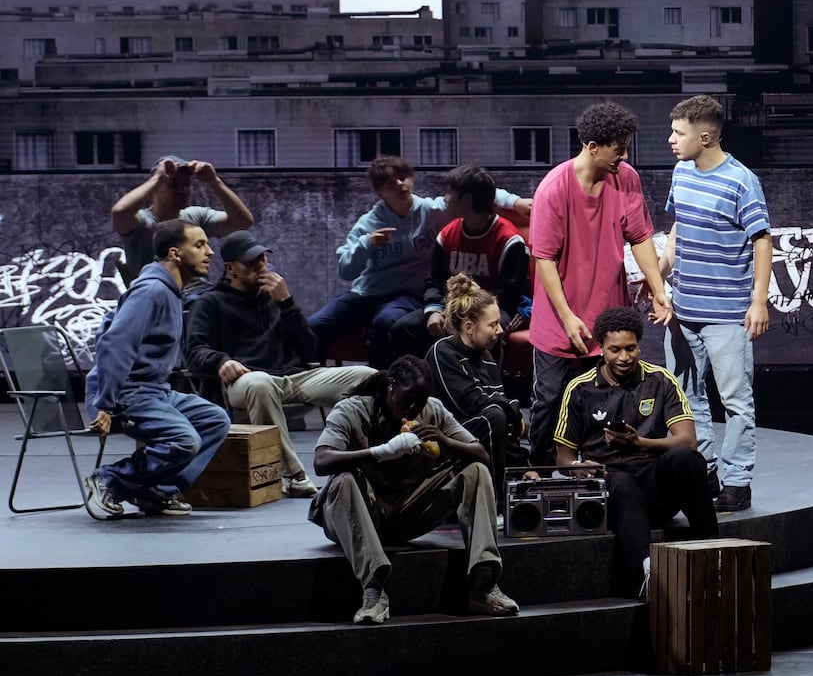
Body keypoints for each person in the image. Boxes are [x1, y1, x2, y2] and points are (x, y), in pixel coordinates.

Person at [309, 356, 518, 624]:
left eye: (419, 402)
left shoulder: (432, 410)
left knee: (476, 471)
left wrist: (445, 441)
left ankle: (483, 586)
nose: (413, 409)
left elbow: (480, 453)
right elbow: (322, 461)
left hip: (405, 512)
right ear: (391, 386)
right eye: (408, 400)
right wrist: (380, 452)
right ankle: (373, 590)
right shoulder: (352, 409)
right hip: (358, 515)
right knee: (343, 480)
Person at [525, 102, 671, 465]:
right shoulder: (553, 190)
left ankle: (604, 475)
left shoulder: (626, 179)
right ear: (593, 147)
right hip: (561, 321)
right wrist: (568, 316)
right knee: (550, 401)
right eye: (617, 148)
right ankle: (539, 474)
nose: (623, 156)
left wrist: (658, 289)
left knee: (605, 403)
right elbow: (544, 259)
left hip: (608, 318)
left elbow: (639, 237)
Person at [183, 231, 377, 499]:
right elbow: (193, 351)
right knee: (260, 382)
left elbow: (310, 349)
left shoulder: (275, 298)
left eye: (262, 259)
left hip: (293, 377)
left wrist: (287, 304)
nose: (260, 266)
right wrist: (220, 361)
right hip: (244, 381)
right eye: (251, 262)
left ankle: (371, 460)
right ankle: (291, 474)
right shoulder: (211, 302)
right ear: (231, 269)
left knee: (368, 377)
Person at [553, 306, 718, 596]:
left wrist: (639, 444)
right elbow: (563, 457)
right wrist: (581, 467)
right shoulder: (579, 389)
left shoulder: (660, 379)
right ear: (601, 348)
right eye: (615, 350)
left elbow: (688, 440)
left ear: (640, 345)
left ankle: (712, 553)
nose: (624, 357)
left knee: (688, 459)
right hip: (611, 487)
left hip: (655, 485)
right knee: (619, 481)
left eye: (631, 348)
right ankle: (648, 572)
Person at [660, 94, 772, 513]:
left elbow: (762, 240)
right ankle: (702, 469)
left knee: (735, 400)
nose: (671, 140)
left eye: (678, 132)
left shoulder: (741, 181)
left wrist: (758, 301)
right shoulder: (681, 172)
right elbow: (678, 225)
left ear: (705, 135)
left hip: (726, 314)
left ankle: (737, 482)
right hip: (683, 312)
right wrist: (662, 269)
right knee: (687, 398)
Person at [309, 157, 530, 369]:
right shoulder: (370, 223)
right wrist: (367, 244)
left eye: (403, 176)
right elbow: (346, 270)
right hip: (365, 293)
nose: (399, 183)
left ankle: (385, 388)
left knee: (387, 323)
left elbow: (478, 190)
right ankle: (304, 382)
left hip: (407, 296)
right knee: (315, 325)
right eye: (389, 181)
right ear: (378, 191)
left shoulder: (431, 211)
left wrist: (516, 202)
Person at [82, 219, 231, 520]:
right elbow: (115, 343)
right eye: (199, 245)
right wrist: (106, 404)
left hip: (154, 391)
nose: (210, 252)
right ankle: (111, 478)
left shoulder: (171, 291)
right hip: (126, 393)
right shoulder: (151, 291)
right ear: (175, 253)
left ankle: (156, 489)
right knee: (184, 439)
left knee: (215, 419)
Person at [391, 165, 530, 360]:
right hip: (454, 307)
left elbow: (509, 295)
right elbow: (434, 280)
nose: (445, 198)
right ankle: (423, 385)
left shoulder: (509, 240)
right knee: (403, 329)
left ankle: (488, 388)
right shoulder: (448, 234)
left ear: (467, 200)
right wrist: (434, 311)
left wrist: (461, 318)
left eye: (449, 192)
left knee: (483, 333)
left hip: (504, 308)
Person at [425, 274, 527, 509]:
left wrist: (512, 412)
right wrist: (509, 408)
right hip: (447, 441)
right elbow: (471, 404)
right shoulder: (442, 352)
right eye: (493, 325)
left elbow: (495, 401)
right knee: (495, 416)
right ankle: (494, 503)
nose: (500, 330)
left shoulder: (488, 357)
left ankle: (514, 487)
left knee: (504, 419)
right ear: (469, 327)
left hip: (480, 430)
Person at [110, 155, 253, 290]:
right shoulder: (142, 221)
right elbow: (119, 212)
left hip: (196, 299)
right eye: (173, 184)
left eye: (187, 184)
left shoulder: (194, 216)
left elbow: (243, 221)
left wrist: (214, 182)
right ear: (156, 188)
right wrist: (157, 178)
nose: (182, 190)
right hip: (156, 298)